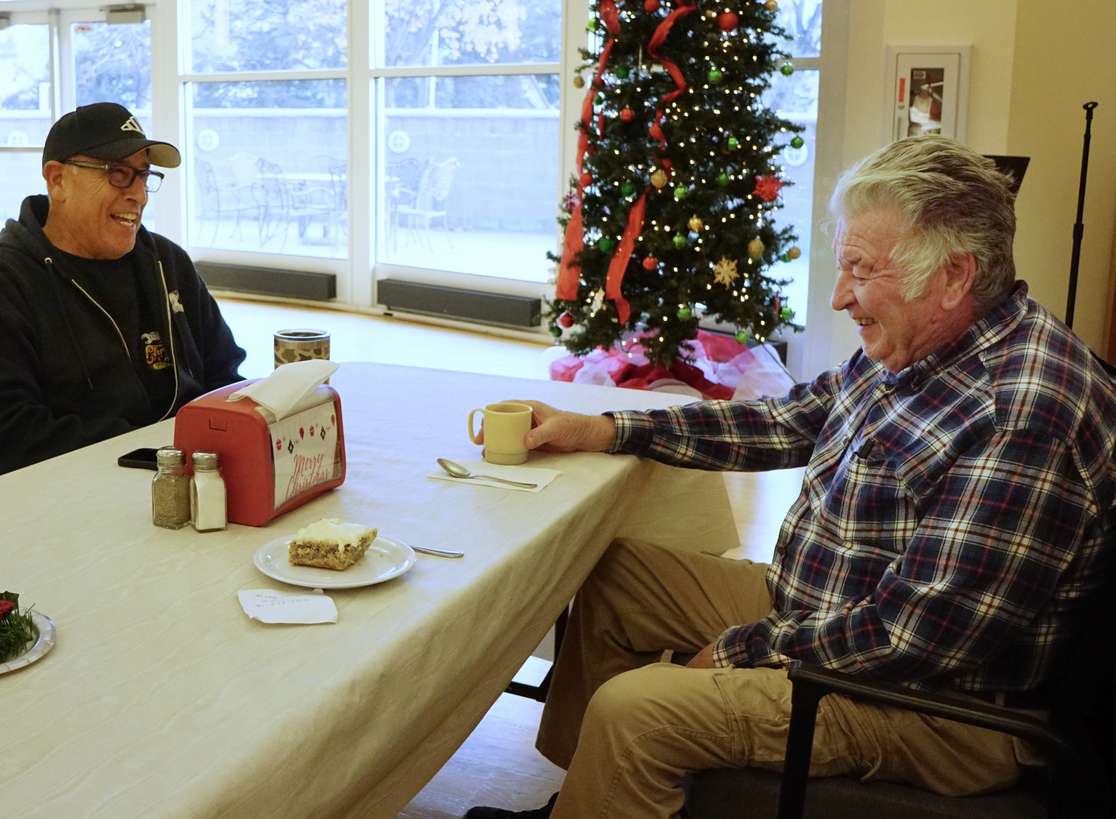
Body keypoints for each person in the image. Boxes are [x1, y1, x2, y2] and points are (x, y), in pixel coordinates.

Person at [465, 135, 1116, 818]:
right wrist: (605, 427)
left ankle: (617, 779)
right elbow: (787, 420)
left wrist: (738, 649)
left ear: (954, 276)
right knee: (615, 579)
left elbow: (911, 637)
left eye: (861, 270)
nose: (840, 297)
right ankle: (596, 798)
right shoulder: (921, 345)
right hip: (830, 610)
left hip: (940, 707)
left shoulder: (1020, 411)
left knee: (638, 708)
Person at [0, 102, 246, 478]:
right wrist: (148, 452)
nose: (139, 194)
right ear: (57, 180)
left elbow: (224, 375)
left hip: (183, 477)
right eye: (118, 174)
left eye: (144, 175)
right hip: (72, 494)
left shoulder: (166, 262)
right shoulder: (3, 282)